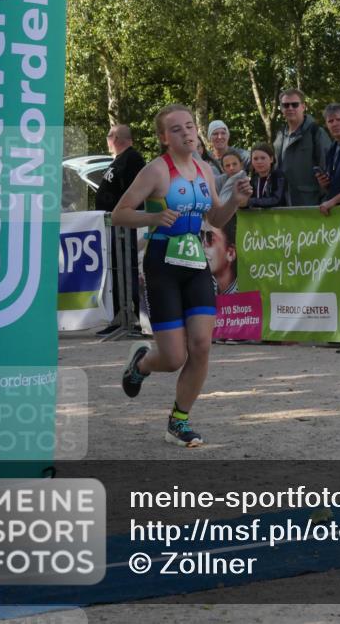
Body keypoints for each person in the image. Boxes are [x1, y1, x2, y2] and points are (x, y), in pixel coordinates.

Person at [111, 104, 253, 447]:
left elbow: (217, 219)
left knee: (201, 346)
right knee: (174, 358)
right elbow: (119, 215)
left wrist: (236, 199)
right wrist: (153, 219)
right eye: (177, 129)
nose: (187, 133)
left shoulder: (205, 170)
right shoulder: (155, 171)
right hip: (162, 264)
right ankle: (142, 364)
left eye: (190, 126)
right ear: (164, 138)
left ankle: (179, 421)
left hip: (195, 263)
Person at [95, 125, 146, 336]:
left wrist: (127, 213)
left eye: (108, 135)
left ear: (115, 138)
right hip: (114, 226)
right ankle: (119, 316)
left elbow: (133, 191)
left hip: (126, 226)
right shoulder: (118, 160)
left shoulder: (132, 159)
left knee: (128, 268)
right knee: (117, 269)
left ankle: (134, 316)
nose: (107, 140)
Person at [274, 88, 330, 206]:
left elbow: (328, 170)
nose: (290, 108)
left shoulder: (316, 133)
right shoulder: (280, 136)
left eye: (294, 104)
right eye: (285, 105)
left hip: (311, 204)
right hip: (282, 204)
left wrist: (326, 201)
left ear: (303, 107)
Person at [203, 218, 238, 296]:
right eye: (201, 236)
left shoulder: (245, 290)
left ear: (230, 253)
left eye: (210, 238)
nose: (202, 245)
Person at [247, 142, 287, 208]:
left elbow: (276, 200)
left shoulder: (278, 176)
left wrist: (249, 201)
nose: (259, 162)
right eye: (255, 159)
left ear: (271, 159)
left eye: (263, 158)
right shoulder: (254, 179)